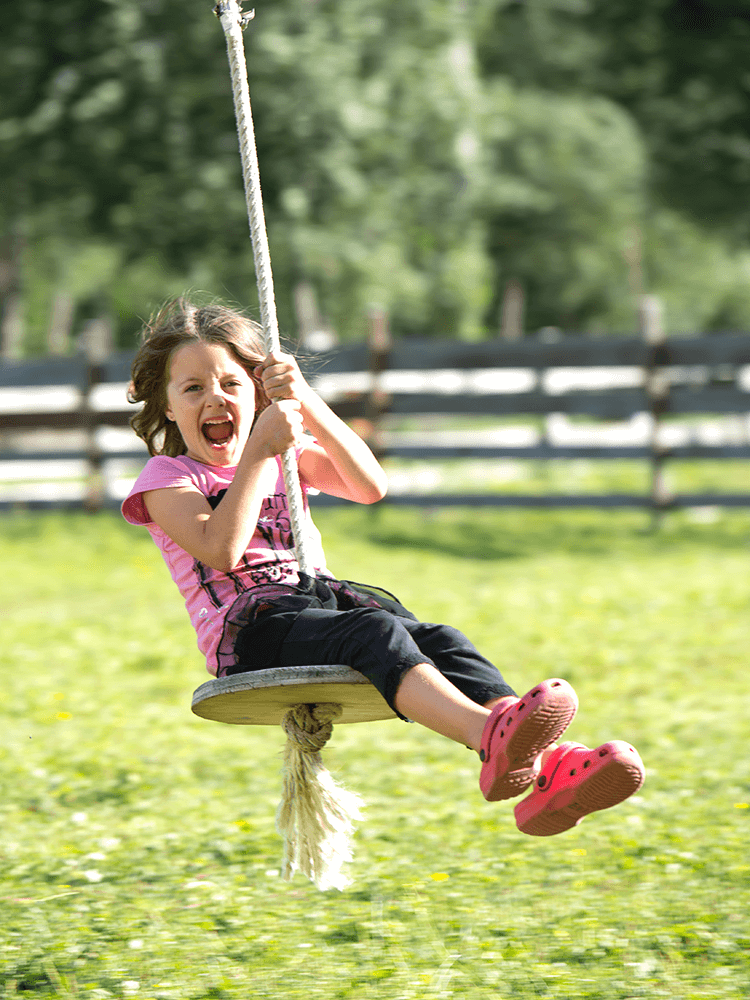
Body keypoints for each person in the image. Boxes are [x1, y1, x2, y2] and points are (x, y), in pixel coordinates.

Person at [122, 298, 644, 837]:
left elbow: (370, 486)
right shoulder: (167, 477)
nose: (216, 398)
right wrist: (257, 452)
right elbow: (222, 550)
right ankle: (490, 736)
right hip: (253, 633)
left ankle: (546, 770)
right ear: (165, 405)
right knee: (372, 632)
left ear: (256, 392)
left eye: (232, 384)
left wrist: (305, 401)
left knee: (435, 637)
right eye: (193, 388)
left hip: (314, 602)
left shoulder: (282, 452)